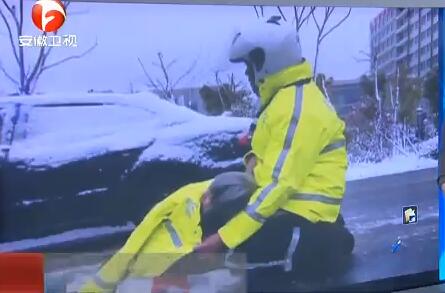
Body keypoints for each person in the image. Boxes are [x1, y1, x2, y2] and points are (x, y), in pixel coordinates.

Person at [195, 17, 354, 287]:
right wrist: (248, 163)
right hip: (289, 209)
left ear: (267, 62)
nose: (247, 75)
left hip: (302, 220)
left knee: (224, 241)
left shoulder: (299, 108)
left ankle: (329, 241)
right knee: (218, 192)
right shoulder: (283, 99)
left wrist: (222, 238)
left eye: (250, 66)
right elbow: (265, 158)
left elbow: (280, 186)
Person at [79, 171, 257, 293]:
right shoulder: (190, 196)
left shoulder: (242, 217)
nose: (205, 197)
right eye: (207, 194)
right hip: (151, 270)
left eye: (210, 199)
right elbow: (141, 233)